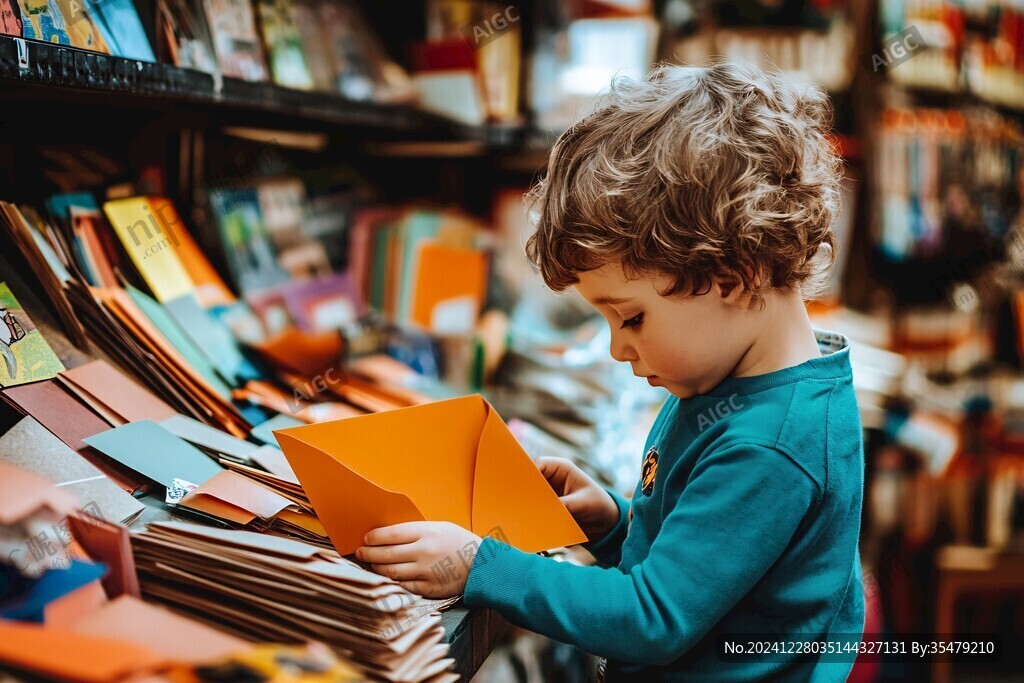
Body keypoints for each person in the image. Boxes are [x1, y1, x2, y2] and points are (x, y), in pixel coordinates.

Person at [357, 60, 865, 681]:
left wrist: (481, 566)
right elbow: (705, 569)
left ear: (735, 275)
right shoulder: (730, 384)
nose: (616, 349)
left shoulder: (770, 443)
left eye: (631, 319)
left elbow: (653, 618)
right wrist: (613, 524)